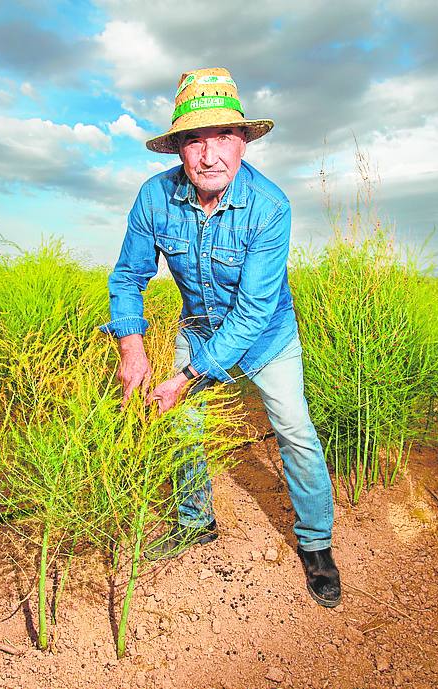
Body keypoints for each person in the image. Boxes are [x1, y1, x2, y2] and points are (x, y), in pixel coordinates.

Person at [100, 67, 341, 607]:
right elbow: (127, 276)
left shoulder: (270, 206)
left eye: (222, 138)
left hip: (268, 336)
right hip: (198, 327)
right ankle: (195, 520)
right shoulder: (154, 198)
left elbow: (255, 310)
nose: (209, 155)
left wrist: (186, 376)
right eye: (193, 140)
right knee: (183, 429)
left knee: (294, 429)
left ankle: (316, 544)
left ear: (243, 142)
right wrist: (131, 348)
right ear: (178, 150)